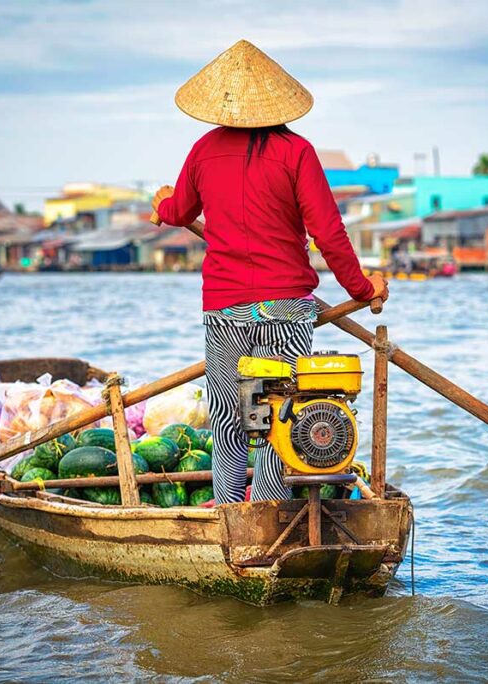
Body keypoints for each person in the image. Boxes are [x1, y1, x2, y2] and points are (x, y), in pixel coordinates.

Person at [152, 40, 388, 506]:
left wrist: (162, 204)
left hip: (225, 310)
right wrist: (364, 288)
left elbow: (179, 210)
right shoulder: (297, 152)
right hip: (285, 308)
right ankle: (267, 509)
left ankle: (229, 513)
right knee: (282, 412)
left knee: (228, 415)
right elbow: (329, 233)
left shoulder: (203, 150)